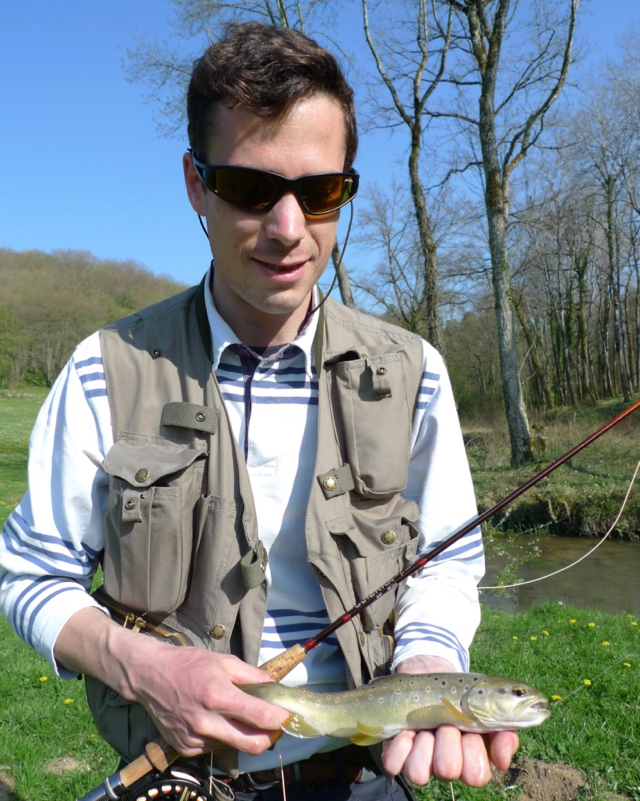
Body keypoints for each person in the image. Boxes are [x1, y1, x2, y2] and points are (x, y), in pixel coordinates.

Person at [0, 21, 518, 799]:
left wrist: (425, 663)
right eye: (249, 188)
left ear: (345, 189)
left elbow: (444, 561)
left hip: (364, 776)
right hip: (179, 775)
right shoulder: (103, 372)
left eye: (319, 193)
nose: (287, 228)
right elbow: (29, 574)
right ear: (195, 184)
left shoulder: (415, 373)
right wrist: (146, 666)